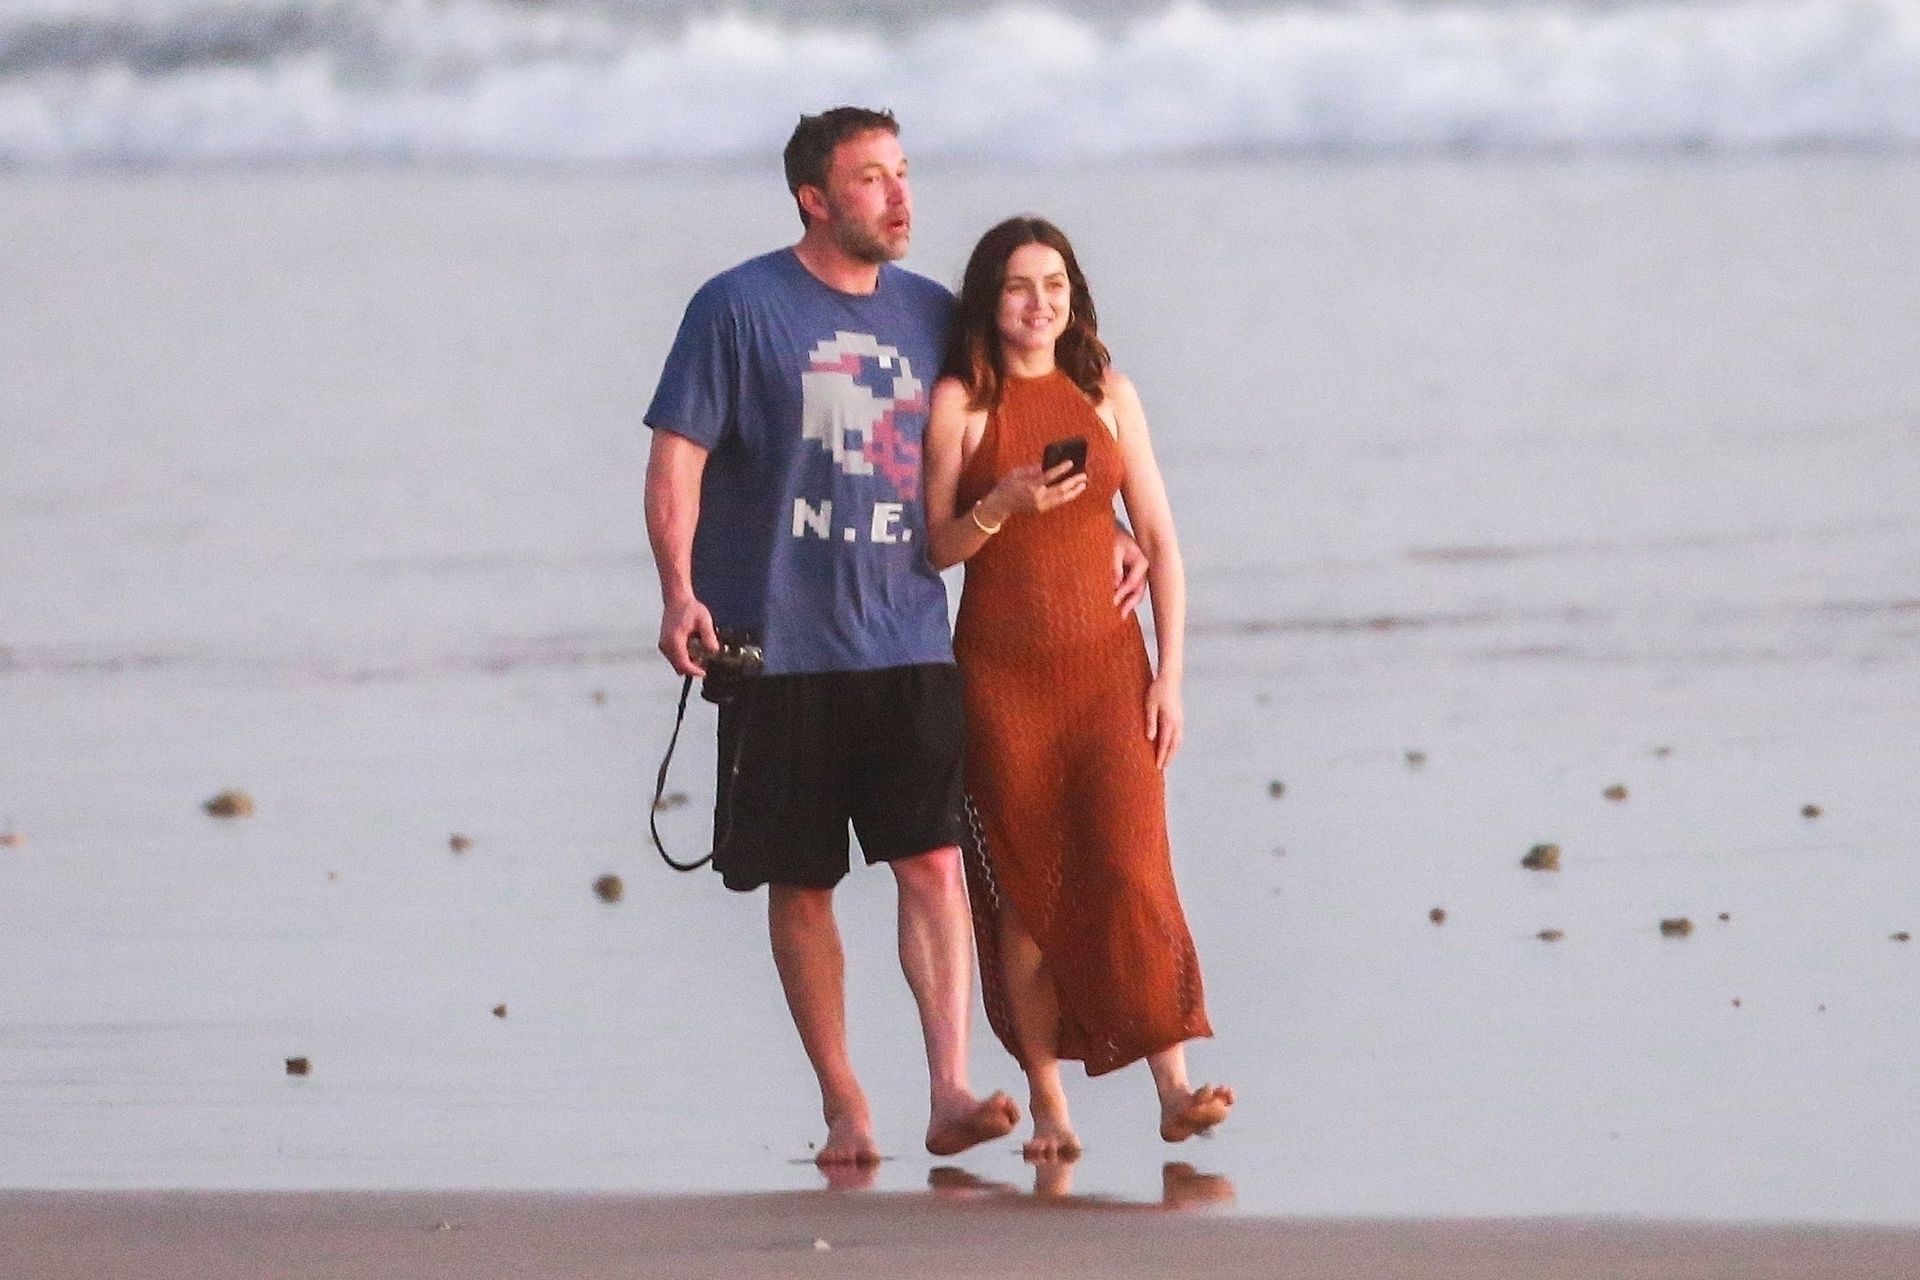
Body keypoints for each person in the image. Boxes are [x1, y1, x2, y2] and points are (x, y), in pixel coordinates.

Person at [642, 110, 1145, 1168]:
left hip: (910, 636)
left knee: (933, 862)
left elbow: (1039, 408)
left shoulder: (937, 316)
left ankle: (951, 1089)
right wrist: (679, 590)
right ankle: (845, 1105)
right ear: (814, 199)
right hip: (778, 644)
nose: (900, 195)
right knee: (803, 881)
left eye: (903, 172)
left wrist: (1112, 524)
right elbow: (678, 456)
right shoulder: (736, 308)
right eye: (871, 178)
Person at [922, 216, 1233, 1161]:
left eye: (1054, 284)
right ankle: (1050, 1104)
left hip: (1110, 675)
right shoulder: (961, 402)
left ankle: (1173, 1088)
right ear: (991, 300)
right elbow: (936, 549)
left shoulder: (1106, 392)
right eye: (1020, 286)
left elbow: (1162, 542)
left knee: (1133, 867)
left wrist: (1170, 676)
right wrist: (999, 505)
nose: (1040, 302)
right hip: (1002, 683)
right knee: (1028, 895)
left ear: (1074, 295)